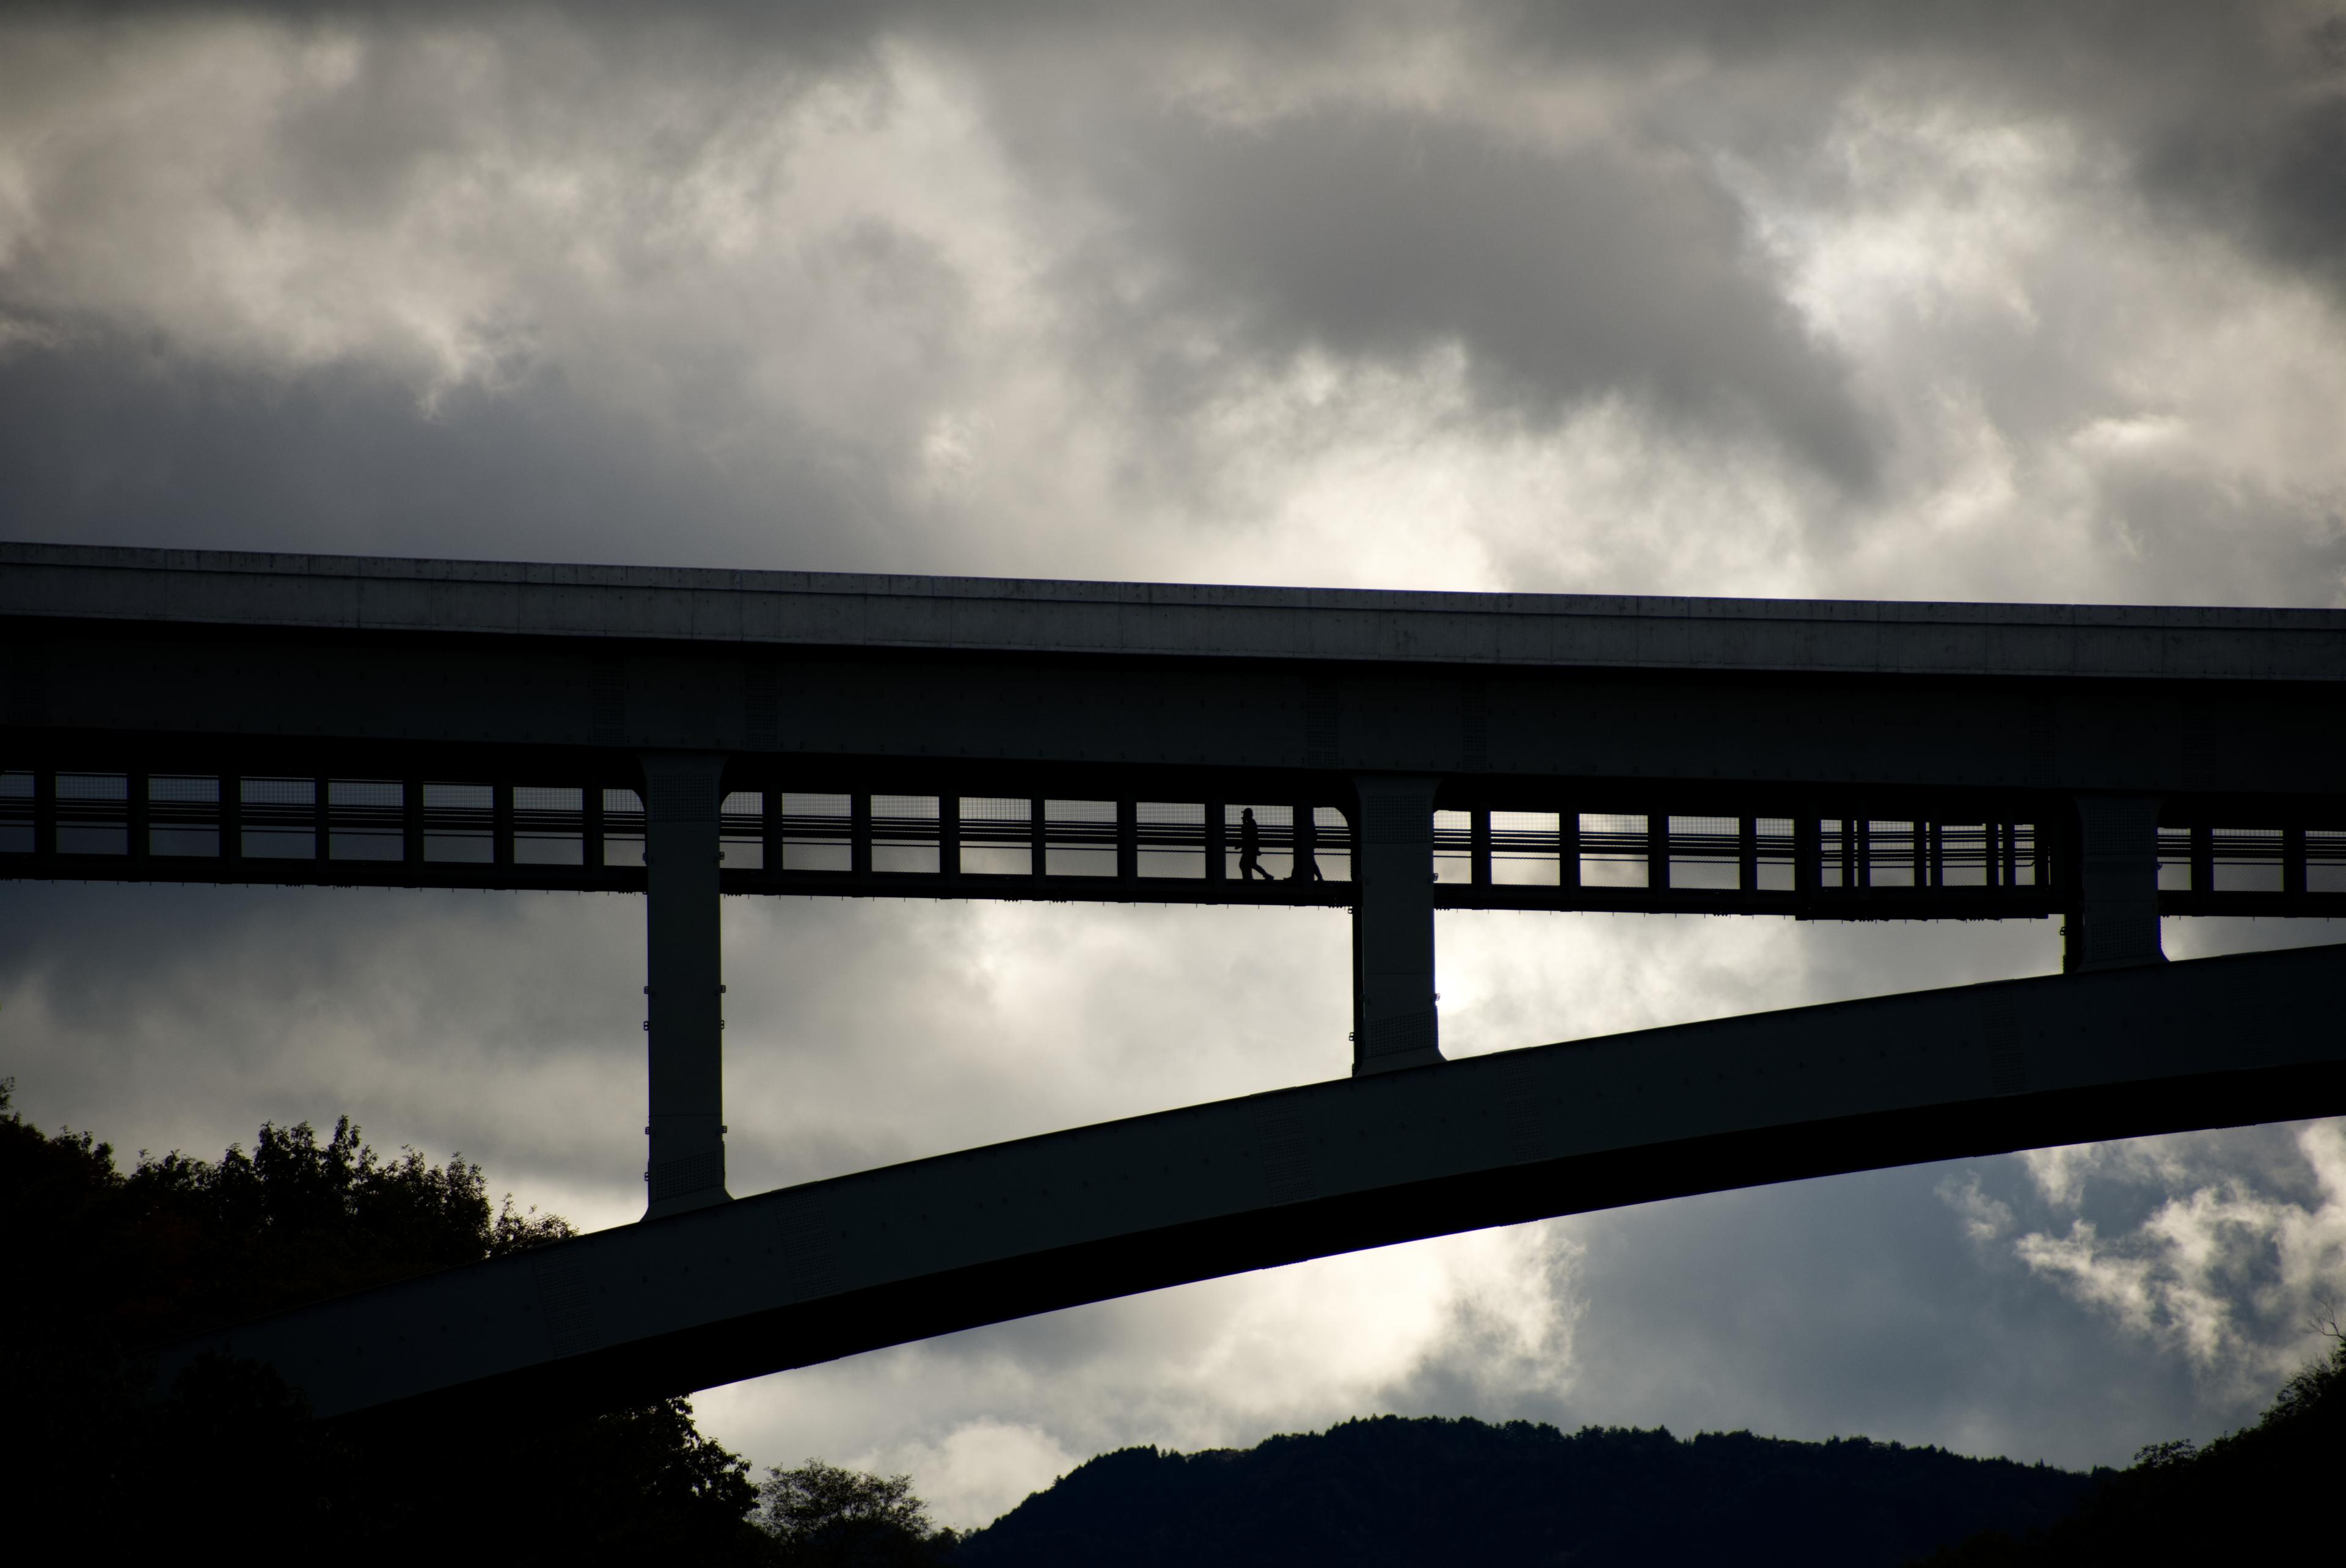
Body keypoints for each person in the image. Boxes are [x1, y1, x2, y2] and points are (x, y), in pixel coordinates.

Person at [1238, 807, 1274, 881]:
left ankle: (1250, 878)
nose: (1244, 816)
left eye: (1245, 814)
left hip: (1251, 848)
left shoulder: (1251, 823)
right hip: (1251, 848)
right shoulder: (1251, 823)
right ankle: (1250, 878)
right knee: (1250, 864)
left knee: (1247, 864)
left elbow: (1246, 835)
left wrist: (1244, 824)